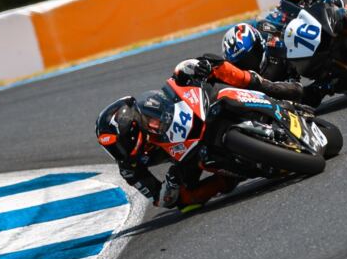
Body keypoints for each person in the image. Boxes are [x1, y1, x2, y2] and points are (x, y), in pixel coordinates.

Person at [95, 57, 304, 212]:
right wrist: (170, 184)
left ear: (132, 129)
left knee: (213, 64)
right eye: (112, 149)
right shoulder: (129, 167)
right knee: (185, 203)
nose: (119, 152)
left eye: (118, 145)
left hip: (196, 117)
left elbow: (176, 79)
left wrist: (191, 67)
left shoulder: (148, 107)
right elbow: (160, 199)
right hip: (186, 156)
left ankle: (272, 88)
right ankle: (229, 178)